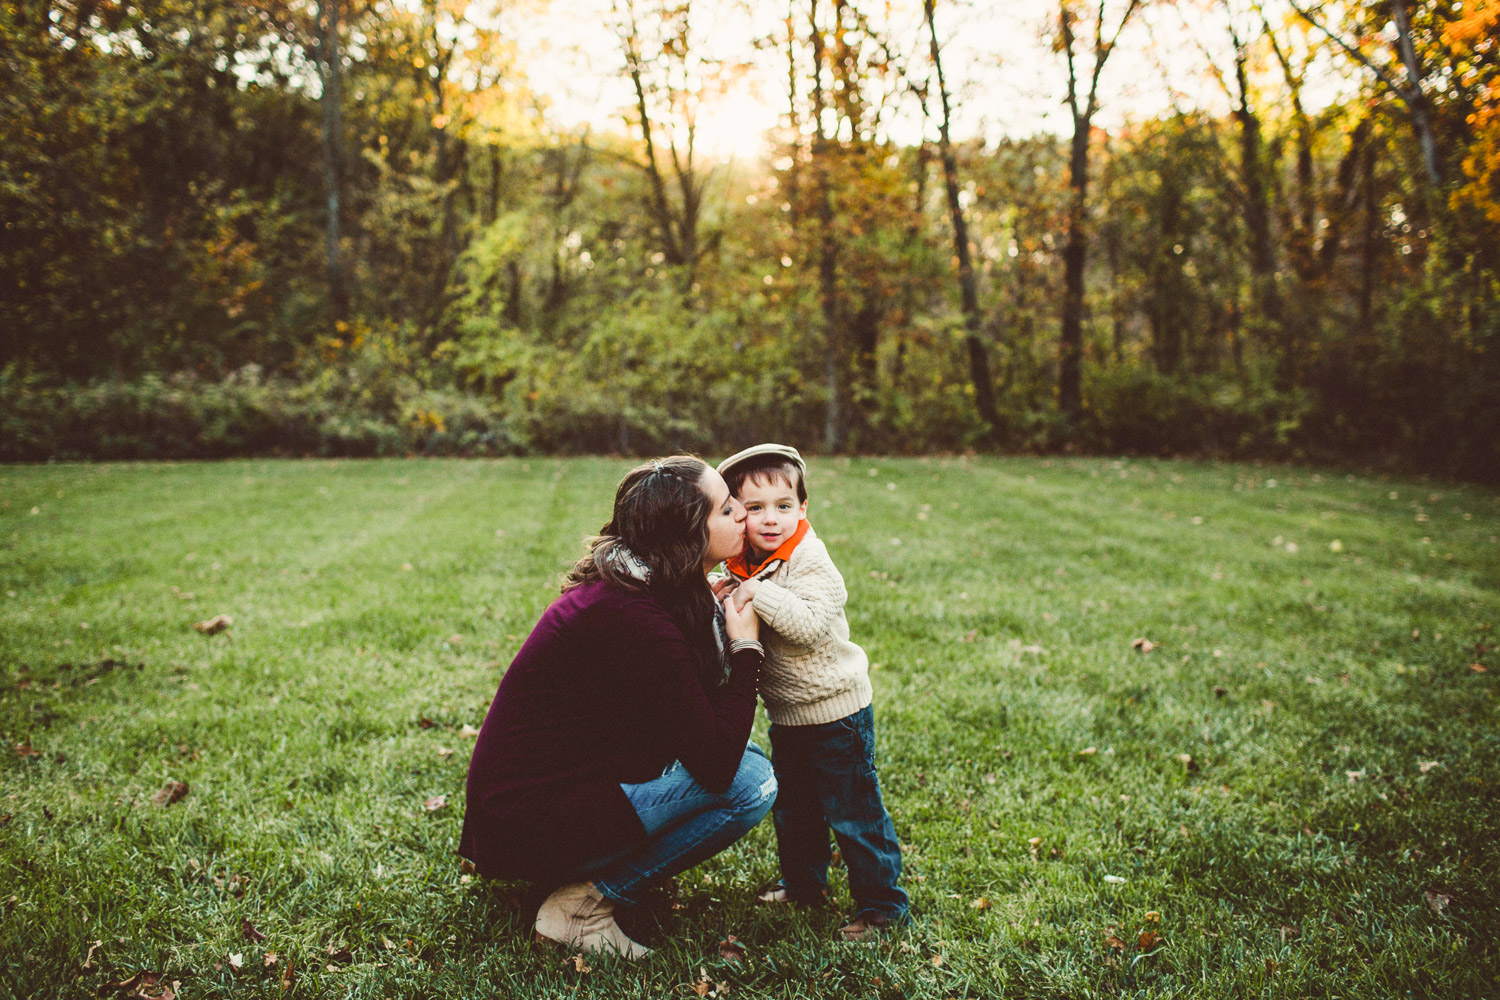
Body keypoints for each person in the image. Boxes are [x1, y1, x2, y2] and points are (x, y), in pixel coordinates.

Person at [458, 456, 776, 960]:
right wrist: (745, 650)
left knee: (752, 762)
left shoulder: (644, 587)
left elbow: (699, 724)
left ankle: (589, 871)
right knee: (750, 784)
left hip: (552, 794)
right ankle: (581, 906)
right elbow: (715, 765)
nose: (743, 514)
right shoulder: (632, 616)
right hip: (527, 820)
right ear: (687, 535)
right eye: (726, 508)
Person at [714, 443, 909, 941]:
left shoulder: (809, 559)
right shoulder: (742, 564)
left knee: (854, 810)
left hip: (837, 712)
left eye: (783, 506)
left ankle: (884, 907)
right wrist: (721, 593)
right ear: (735, 515)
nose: (771, 519)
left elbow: (807, 625)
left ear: (803, 509)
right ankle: (804, 885)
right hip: (788, 715)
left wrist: (756, 591)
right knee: (795, 808)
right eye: (754, 509)